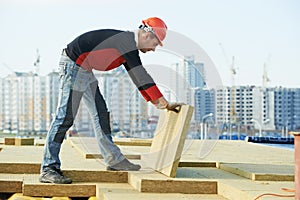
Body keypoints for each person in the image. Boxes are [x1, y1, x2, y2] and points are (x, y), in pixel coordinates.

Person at [39, 17, 183, 184]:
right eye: (155, 44)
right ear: (147, 35)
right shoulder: (126, 42)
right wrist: (162, 101)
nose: (154, 49)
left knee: (101, 114)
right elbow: (141, 75)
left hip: (84, 69)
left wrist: (158, 103)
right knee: (65, 117)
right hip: (73, 65)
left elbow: (137, 78)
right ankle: (48, 168)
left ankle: (114, 160)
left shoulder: (128, 47)